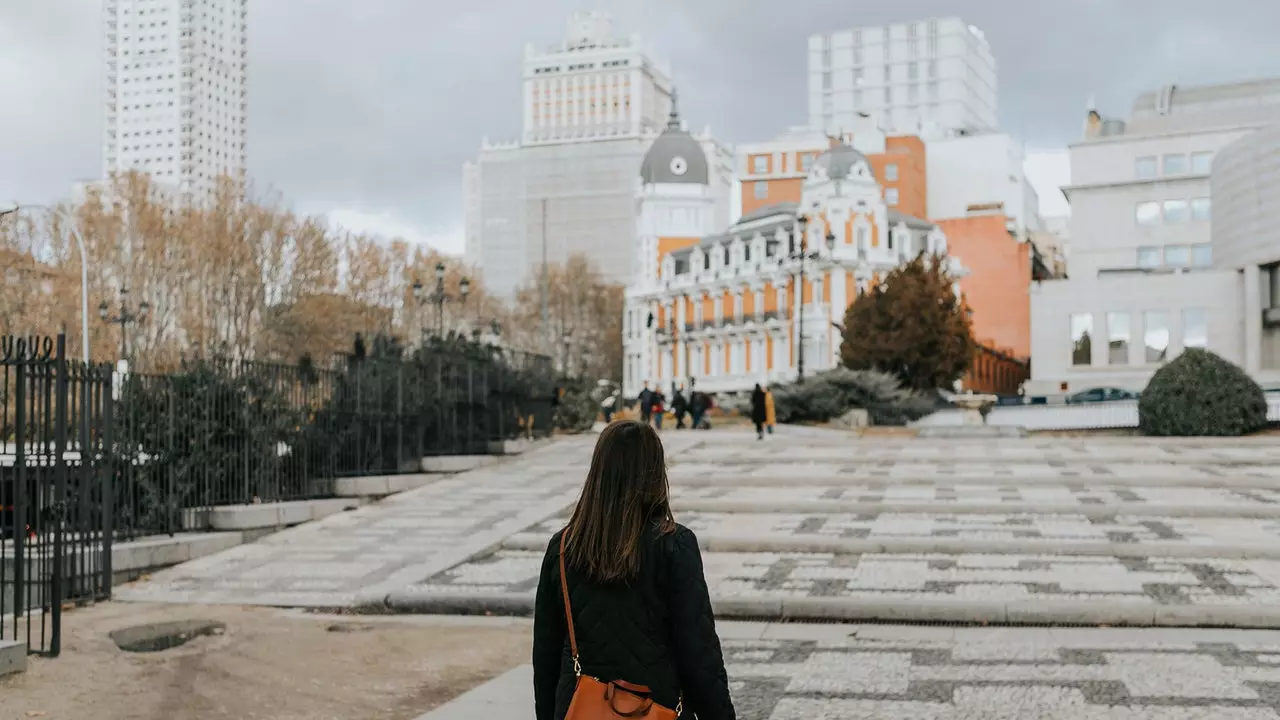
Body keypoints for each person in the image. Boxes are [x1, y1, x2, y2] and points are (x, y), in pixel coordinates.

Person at [533, 421, 736, 720]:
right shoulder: (675, 545)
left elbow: (545, 656)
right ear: (655, 473)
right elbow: (699, 656)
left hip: (579, 709)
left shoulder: (563, 547)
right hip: (658, 708)